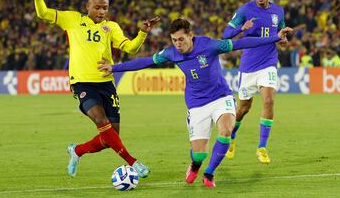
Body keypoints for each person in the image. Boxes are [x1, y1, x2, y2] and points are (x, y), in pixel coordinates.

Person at [98, 18, 292, 187]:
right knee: (199, 154)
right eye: (174, 40)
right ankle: (196, 165)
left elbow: (243, 43)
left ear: (191, 35)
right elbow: (145, 62)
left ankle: (209, 173)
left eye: (181, 39)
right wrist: (115, 68)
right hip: (197, 104)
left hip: (220, 97)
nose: (178, 44)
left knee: (225, 131)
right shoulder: (171, 53)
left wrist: (275, 37)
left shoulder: (209, 45)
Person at [25, 0, 160, 178]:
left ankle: (77, 151)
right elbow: (43, 13)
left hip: (106, 84)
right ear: (87, 6)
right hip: (82, 83)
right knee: (101, 120)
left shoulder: (111, 27)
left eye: (105, 7)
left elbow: (130, 48)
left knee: (111, 136)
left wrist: (142, 33)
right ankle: (134, 163)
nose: (101, 11)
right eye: (97, 7)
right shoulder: (71, 19)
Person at [222, 0, 287, 164]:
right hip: (248, 67)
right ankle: (232, 137)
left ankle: (262, 147)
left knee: (268, 100)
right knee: (243, 108)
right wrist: (242, 27)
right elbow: (226, 34)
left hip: (269, 63)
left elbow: (280, 35)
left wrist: (282, 40)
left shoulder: (278, 12)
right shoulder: (245, 10)